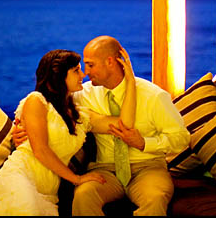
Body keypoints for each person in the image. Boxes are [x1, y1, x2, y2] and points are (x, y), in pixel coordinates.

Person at [13, 36, 190, 216]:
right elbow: (49, 108)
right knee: (83, 195)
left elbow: (182, 139)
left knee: (155, 199)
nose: (85, 73)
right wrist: (20, 129)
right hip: (104, 169)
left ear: (110, 62)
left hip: (148, 167)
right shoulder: (82, 94)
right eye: (81, 68)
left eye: (90, 65)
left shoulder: (154, 96)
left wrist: (144, 143)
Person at [0, 48, 136, 216]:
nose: (83, 74)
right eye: (76, 71)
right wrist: (77, 178)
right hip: (19, 177)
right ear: (58, 76)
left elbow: (124, 123)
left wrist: (131, 81)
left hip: (47, 192)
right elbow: (40, 149)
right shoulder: (37, 101)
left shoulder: (81, 116)